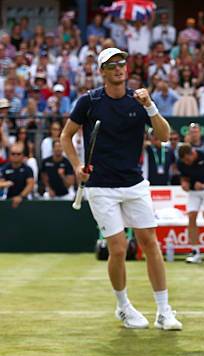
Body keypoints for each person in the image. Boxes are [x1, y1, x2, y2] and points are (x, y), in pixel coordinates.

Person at [60, 47, 183, 331]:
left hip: (135, 183)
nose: (118, 68)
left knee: (149, 243)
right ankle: (123, 306)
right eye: (112, 65)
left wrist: (150, 106)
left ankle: (164, 312)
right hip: (101, 187)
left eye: (122, 63)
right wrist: (78, 165)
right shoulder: (88, 102)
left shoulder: (138, 101)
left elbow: (164, 136)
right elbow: (66, 136)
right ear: (102, 71)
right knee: (117, 248)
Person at [177, 143, 204, 263]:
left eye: (187, 159)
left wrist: (203, 185)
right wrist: (184, 184)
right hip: (193, 192)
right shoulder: (181, 162)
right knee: (191, 217)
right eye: (184, 161)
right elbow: (184, 177)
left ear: (192, 153)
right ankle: (195, 252)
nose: (186, 162)